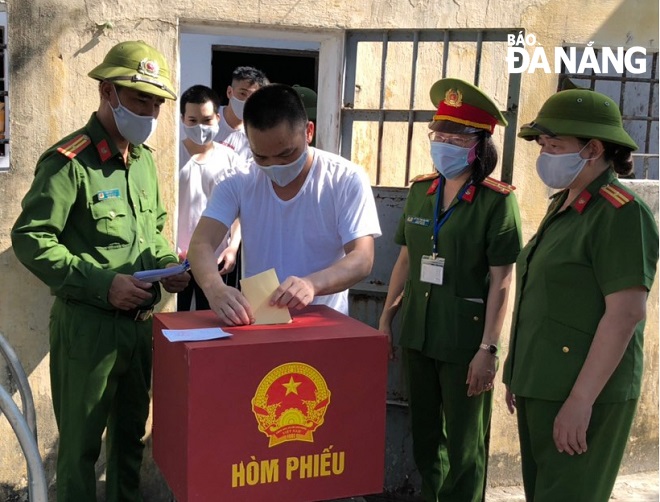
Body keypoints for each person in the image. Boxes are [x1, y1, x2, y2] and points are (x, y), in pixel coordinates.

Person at [11, 40, 190, 502]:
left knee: (130, 445)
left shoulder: (144, 162)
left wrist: (166, 266)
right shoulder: (71, 161)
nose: (150, 111)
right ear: (108, 92)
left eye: (157, 102)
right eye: (139, 99)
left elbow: (150, 232)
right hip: (88, 328)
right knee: (79, 451)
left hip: (139, 327)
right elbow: (31, 238)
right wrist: (101, 284)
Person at [502, 89, 659, 502]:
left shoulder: (621, 215)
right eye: (543, 145)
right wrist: (519, 374)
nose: (545, 155)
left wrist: (580, 400)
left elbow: (625, 314)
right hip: (545, 385)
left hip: (583, 393)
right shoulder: (566, 205)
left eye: (556, 146)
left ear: (593, 149)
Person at [378, 78, 522, 502]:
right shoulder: (422, 191)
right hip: (419, 332)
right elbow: (405, 259)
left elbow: (503, 279)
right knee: (424, 432)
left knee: (465, 443)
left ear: (478, 144)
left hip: (465, 341)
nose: (443, 143)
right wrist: (387, 317)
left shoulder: (497, 202)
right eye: (438, 134)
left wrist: (488, 349)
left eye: (455, 136)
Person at [188, 83, 381, 325]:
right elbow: (201, 243)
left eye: (286, 155)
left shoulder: (344, 179)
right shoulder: (238, 179)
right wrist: (215, 289)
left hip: (323, 325)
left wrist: (312, 284)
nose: (274, 166)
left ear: (308, 132)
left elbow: (362, 258)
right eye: (261, 156)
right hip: (260, 324)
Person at [177, 84, 242, 310]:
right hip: (175, 261)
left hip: (216, 260)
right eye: (193, 121)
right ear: (183, 119)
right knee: (177, 320)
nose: (200, 127)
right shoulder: (171, 157)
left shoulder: (231, 159)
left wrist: (232, 248)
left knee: (215, 320)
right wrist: (167, 251)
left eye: (206, 120)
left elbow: (239, 211)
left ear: (217, 118)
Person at [215, 66, 269, 162]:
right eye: (242, 94)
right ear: (229, 92)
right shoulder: (209, 118)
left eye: (252, 97)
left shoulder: (256, 133)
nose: (246, 101)